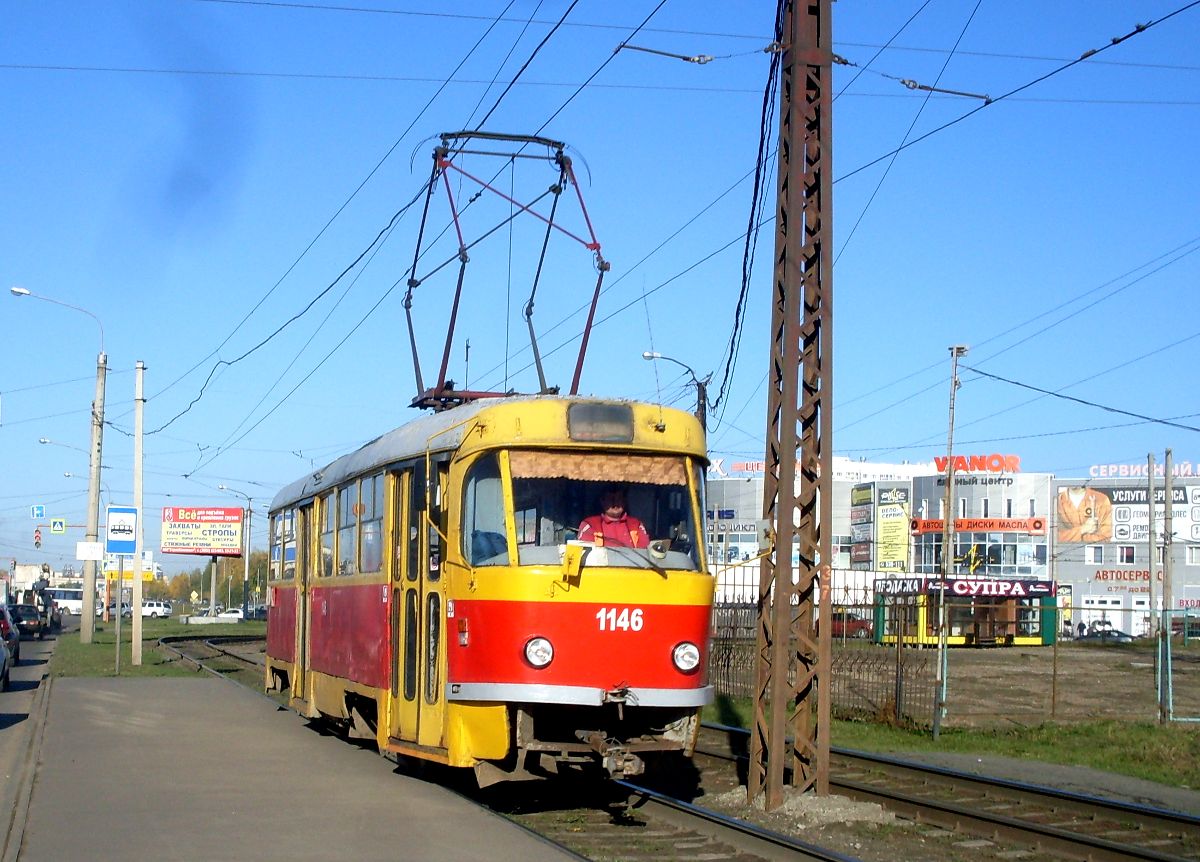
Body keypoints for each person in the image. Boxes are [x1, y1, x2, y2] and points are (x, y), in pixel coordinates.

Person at [577, 487, 649, 549]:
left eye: (618, 499)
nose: (615, 503)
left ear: (624, 501)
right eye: (611, 499)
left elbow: (645, 551)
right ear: (602, 501)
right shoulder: (589, 525)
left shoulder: (636, 525)